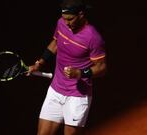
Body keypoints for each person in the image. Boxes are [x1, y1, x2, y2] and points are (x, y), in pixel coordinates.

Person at [27, 0, 106, 134]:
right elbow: (56, 43)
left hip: (77, 97)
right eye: (64, 19)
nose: (67, 23)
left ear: (81, 14)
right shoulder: (61, 23)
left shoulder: (93, 37)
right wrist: (39, 63)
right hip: (55, 91)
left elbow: (102, 67)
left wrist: (80, 73)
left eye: (70, 19)